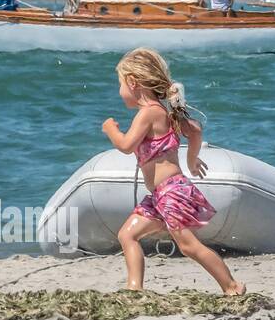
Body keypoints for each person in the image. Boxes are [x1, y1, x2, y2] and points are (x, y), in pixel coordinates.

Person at [101, 48, 244, 296]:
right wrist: (192, 159)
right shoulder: (164, 113)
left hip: (171, 192)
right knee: (128, 234)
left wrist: (110, 130)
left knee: (188, 246)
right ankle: (134, 288)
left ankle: (231, 286)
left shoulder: (148, 114)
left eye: (120, 84)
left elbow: (125, 146)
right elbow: (196, 130)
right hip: (160, 195)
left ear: (133, 83)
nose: (119, 91)